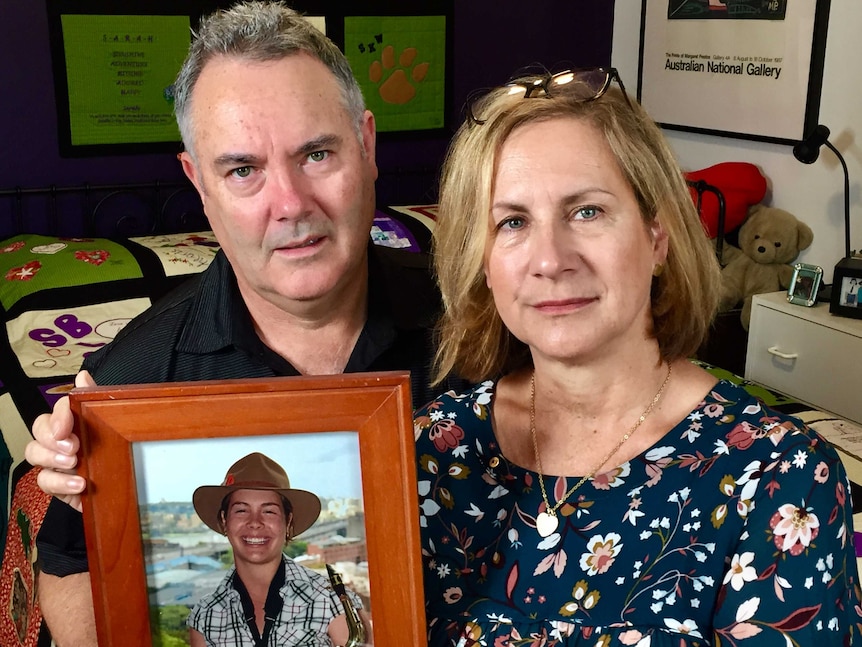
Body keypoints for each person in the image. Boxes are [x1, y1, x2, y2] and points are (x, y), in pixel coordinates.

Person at [23, 2, 455, 644]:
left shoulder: (480, 331)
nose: (290, 204)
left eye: (316, 153)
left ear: (366, 147)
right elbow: (68, 566)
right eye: (243, 170)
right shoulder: (134, 381)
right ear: (200, 185)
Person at [414, 68, 862, 645]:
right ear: (482, 260)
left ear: (657, 235)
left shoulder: (785, 479)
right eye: (513, 222)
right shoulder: (429, 449)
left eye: (587, 211)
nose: (550, 259)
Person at [188, 452, 370, 646]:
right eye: (241, 510)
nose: (255, 522)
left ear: (288, 521)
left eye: (269, 511)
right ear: (225, 521)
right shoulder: (204, 616)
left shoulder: (333, 600)